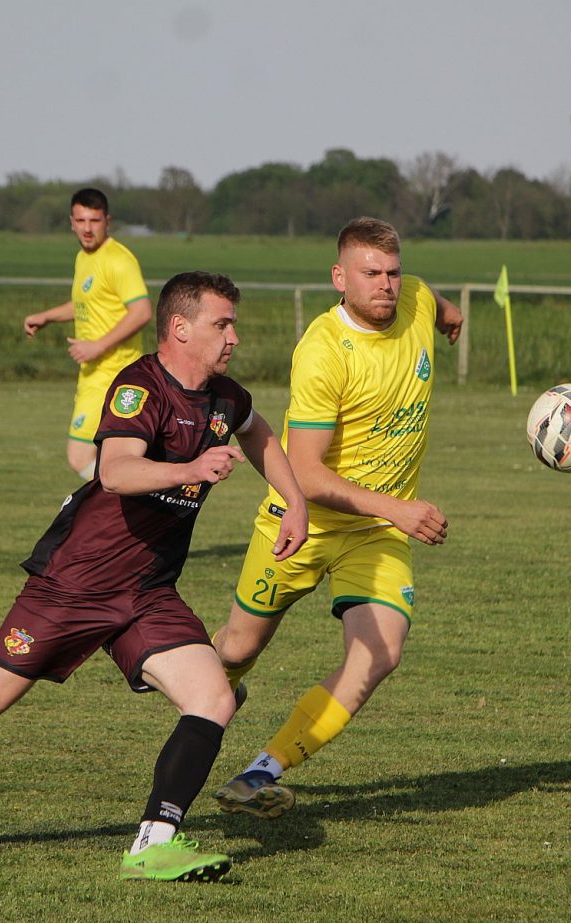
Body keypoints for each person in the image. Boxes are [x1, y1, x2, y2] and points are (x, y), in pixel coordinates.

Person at [0, 271, 308, 882]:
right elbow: (115, 472)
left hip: (147, 592)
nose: (234, 336)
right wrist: (191, 468)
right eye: (221, 324)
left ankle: (152, 845)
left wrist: (295, 502)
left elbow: (259, 434)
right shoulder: (140, 388)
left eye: (233, 324)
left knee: (214, 698)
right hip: (73, 584)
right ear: (180, 327)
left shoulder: (226, 398)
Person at [209, 217, 463, 819]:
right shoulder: (323, 350)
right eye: (370, 273)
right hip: (300, 522)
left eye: (393, 272)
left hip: (372, 535)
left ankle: (262, 771)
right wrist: (399, 508)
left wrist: (449, 316)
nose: (386, 285)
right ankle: (204, 689)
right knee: (234, 653)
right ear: (339, 278)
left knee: (380, 654)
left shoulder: (416, 298)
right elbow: (305, 473)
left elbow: (433, 300)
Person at [23, 187, 152, 479]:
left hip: (114, 374)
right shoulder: (84, 258)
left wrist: (98, 346)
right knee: (108, 457)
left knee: (80, 456)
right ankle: (135, 497)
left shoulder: (118, 260)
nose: (87, 228)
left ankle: (142, 495)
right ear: (71, 222)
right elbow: (86, 303)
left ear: (108, 221)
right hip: (93, 374)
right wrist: (47, 317)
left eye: (94, 221)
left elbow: (142, 311)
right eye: (81, 221)